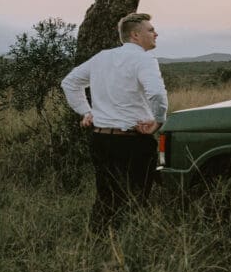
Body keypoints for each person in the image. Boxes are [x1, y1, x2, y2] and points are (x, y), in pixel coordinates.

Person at [61, 12, 168, 231]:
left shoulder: (102, 57)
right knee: (136, 198)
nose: (155, 33)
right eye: (150, 30)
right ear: (135, 35)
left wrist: (86, 112)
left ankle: (98, 241)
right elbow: (157, 94)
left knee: (106, 197)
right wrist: (158, 121)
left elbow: (69, 82)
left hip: (100, 140)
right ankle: (131, 241)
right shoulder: (144, 59)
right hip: (133, 141)